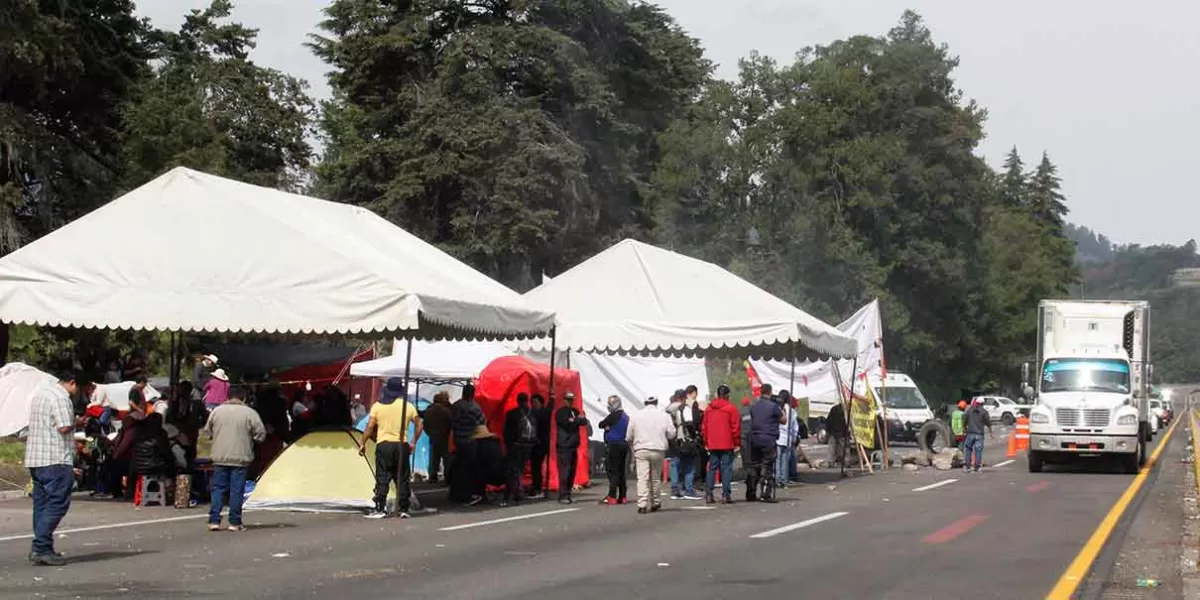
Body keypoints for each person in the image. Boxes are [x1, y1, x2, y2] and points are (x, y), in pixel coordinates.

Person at [25, 371, 84, 566]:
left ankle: (45, 547)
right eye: (78, 388)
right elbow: (64, 427)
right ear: (72, 383)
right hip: (55, 458)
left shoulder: (40, 395)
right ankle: (40, 546)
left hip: (36, 458)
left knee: (41, 505)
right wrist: (79, 421)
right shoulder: (61, 397)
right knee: (57, 504)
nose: (77, 393)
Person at [203, 387, 266, 532]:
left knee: (218, 489)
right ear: (243, 398)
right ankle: (234, 522)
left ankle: (214, 521)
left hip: (220, 457)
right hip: (240, 457)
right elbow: (260, 434)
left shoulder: (217, 411)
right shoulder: (250, 413)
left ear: (227, 397)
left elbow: (207, 432)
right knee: (236, 490)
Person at [359, 377, 422, 519]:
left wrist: (362, 442)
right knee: (402, 477)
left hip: (384, 445)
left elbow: (369, 427)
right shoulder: (408, 406)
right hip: (402, 445)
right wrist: (413, 442)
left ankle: (380, 507)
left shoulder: (377, 406)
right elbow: (419, 425)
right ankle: (404, 508)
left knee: (383, 476)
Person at [625, 396, 675, 514]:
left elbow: (628, 436)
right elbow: (672, 434)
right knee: (655, 478)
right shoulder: (664, 416)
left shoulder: (636, 416)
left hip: (641, 449)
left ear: (645, 402)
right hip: (658, 449)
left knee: (642, 478)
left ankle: (642, 504)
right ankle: (655, 502)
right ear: (656, 402)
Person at [702, 385, 740, 504]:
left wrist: (706, 441)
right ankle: (726, 494)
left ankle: (709, 493)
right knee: (726, 469)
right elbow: (736, 428)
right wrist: (736, 443)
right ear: (727, 395)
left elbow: (704, 427)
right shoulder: (731, 408)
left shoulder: (709, 409)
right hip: (727, 442)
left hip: (713, 443)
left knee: (712, 468)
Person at [450, 384, 486, 506]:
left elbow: (450, 421)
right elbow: (482, 421)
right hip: (470, 441)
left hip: (457, 440)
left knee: (458, 467)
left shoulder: (455, 406)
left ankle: (455, 493)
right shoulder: (475, 407)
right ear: (473, 394)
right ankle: (467, 496)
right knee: (468, 469)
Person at [747, 389, 785, 502]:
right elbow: (784, 420)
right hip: (768, 439)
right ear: (770, 392)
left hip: (754, 438)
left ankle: (751, 492)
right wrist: (781, 407)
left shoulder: (754, 406)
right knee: (767, 466)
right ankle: (765, 493)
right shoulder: (773, 406)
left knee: (755, 466)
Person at [665, 389, 702, 500]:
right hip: (684, 440)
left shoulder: (667, 410)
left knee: (674, 464)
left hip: (672, 440)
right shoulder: (684, 408)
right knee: (689, 466)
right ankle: (689, 490)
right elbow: (690, 424)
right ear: (682, 398)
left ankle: (674, 489)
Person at [502, 393, 538, 507]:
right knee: (520, 469)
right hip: (528, 444)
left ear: (517, 401)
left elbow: (506, 432)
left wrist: (508, 444)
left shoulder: (512, 413)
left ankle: (514, 493)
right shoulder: (533, 413)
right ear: (527, 400)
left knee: (513, 470)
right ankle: (518, 491)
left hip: (515, 445)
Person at [554, 392, 588, 504]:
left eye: (571, 399)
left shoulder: (575, 411)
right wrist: (576, 421)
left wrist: (575, 420)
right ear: (564, 400)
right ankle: (563, 494)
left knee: (571, 472)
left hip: (573, 446)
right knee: (565, 471)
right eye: (568, 399)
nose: (570, 401)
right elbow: (566, 424)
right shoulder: (560, 412)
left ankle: (567, 494)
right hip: (564, 446)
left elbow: (583, 421)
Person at [597, 395, 630, 505]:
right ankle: (623, 496)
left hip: (614, 445)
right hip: (624, 444)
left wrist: (607, 426)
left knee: (612, 471)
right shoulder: (626, 416)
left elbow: (601, 424)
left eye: (610, 404)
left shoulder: (614, 415)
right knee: (621, 471)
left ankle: (612, 496)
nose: (608, 406)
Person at [422, 391, 453, 485]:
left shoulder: (428, 410)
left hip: (433, 436)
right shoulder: (447, 411)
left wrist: (429, 433)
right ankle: (447, 478)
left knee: (434, 458)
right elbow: (451, 423)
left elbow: (425, 423)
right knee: (446, 459)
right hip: (445, 437)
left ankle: (432, 477)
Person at [529, 394, 551, 498]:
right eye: (532, 402)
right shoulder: (532, 413)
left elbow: (550, 408)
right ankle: (535, 487)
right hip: (533, 444)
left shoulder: (543, 413)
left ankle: (538, 489)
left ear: (541, 403)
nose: (533, 405)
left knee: (537, 467)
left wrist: (552, 398)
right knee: (534, 468)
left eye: (535, 402)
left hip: (541, 444)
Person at [775, 391, 799, 488]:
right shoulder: (792, 411)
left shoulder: (776, 409)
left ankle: (778, 479)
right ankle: (784, 480)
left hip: (778, 437)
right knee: (785, 460)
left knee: (778, 460)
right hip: (787, 438)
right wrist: (793, 438)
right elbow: (795, 427)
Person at [963, 397, 992, 473]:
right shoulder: (984, 412)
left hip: (970, 433)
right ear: (983, 404)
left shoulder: (969, 410)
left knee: (968, 449)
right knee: (978, 451)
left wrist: (964, 428)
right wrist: (991, 433)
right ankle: (977, 467)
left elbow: (965, 419)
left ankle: (968, 466)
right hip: (979, 434)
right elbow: (988, 423)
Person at [826, 401, 850, 467]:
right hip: (842, 432)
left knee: (832, 448)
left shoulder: (834, 409)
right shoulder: (847, 410)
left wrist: (829, 430)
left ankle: (830, 462)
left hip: (833, 432)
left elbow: (828, 420)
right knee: (845, 448)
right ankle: (846, 461)